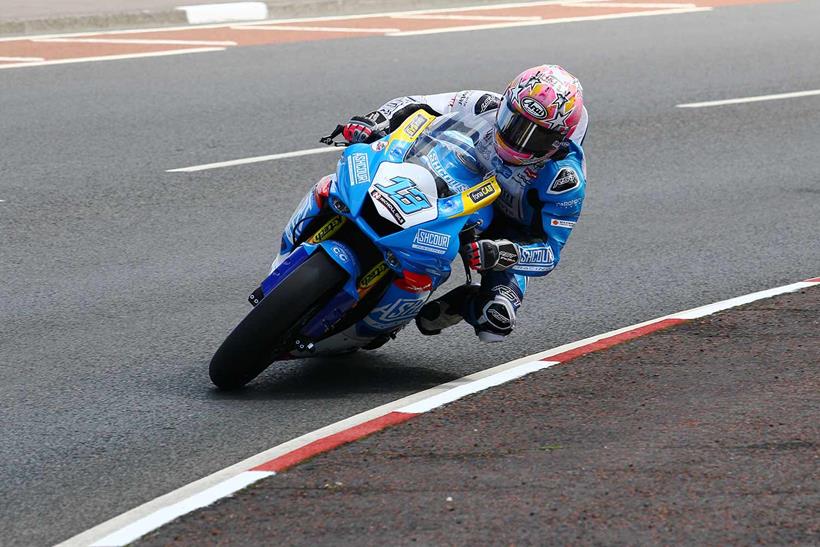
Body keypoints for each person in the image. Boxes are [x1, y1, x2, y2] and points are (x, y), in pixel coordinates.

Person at [341, 65, 588, 342]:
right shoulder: (484, 104)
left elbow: (550, 253)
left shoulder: (565, 179)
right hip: (451, 176)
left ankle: (463, 302)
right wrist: (376, 119)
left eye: (537, 136)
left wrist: (505, 253)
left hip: (502, 231)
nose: (519, 139)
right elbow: (416, 104)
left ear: (559, 140)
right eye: (513, 122)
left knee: (495, 322)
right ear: (505, 103)